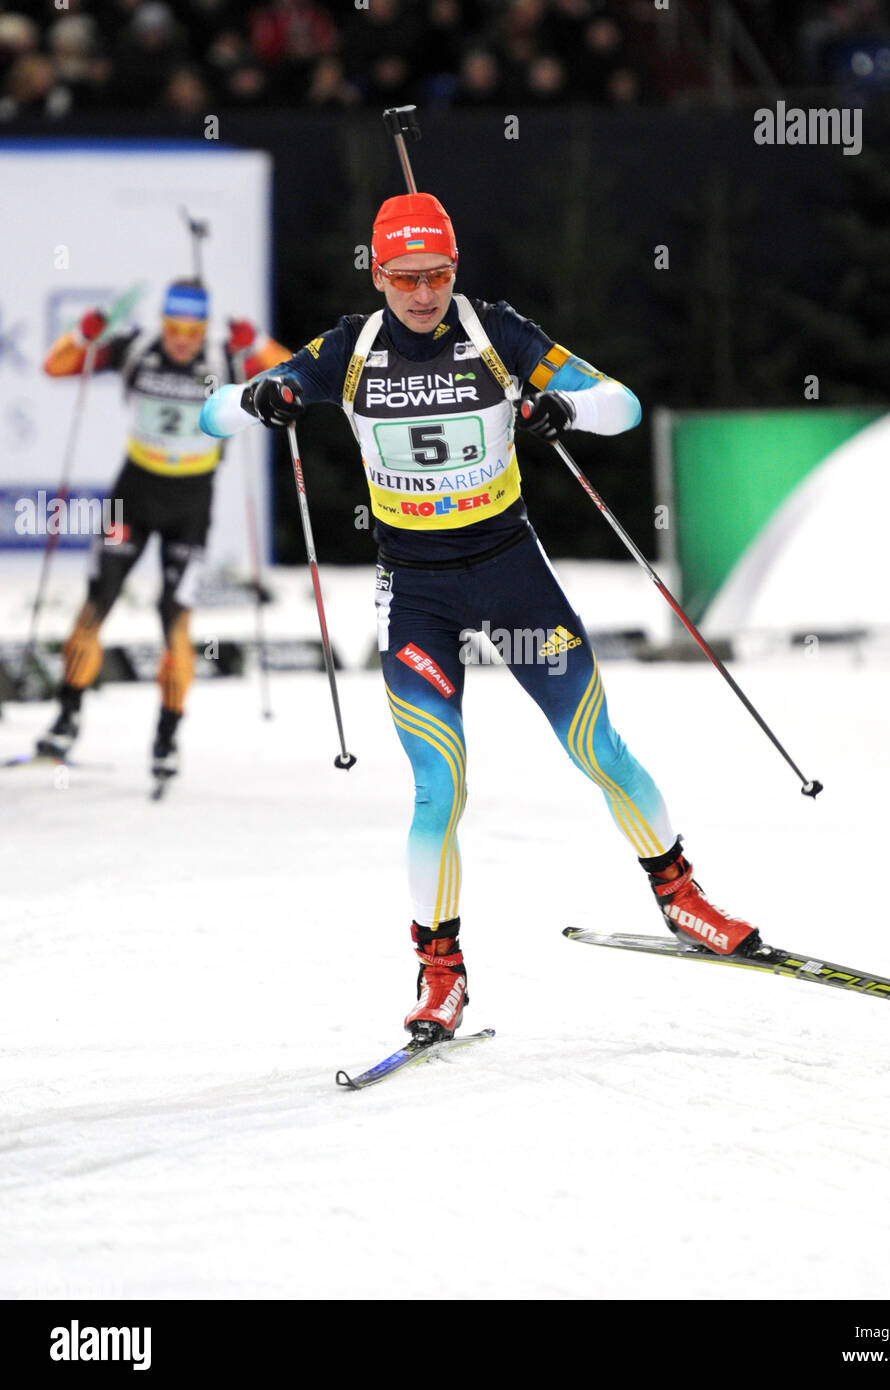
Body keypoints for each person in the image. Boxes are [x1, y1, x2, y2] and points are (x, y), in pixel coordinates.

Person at [200, 192, 761, 1041]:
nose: (422, 294)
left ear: (453, 270)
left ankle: (681, 898)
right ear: (377, 273)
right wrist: (264, 396)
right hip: (417, 592)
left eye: (437, 275)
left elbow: (623, 403)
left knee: (597, 746)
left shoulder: (496, 331)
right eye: (404, 277)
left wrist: (562, 406)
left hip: (511, 577)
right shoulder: (349, 348)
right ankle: (440, 971)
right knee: (438, 788)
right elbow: (216, 407)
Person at [37, 279, 289, 781]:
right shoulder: (137, 349)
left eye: (190, 331)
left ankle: (167, 736)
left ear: (204, 327)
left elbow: (292, 382)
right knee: (97, 601)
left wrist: (256, 344)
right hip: (133, 495)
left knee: (175, 620)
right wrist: (84, 335)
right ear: (162, 324)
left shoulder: (225, 358)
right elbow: (55, 365)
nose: (180, 341)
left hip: (190, 506)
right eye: (172, 328)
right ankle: (66, 717)